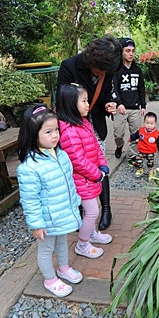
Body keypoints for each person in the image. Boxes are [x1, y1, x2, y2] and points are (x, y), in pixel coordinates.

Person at [17, 105, 83, 298]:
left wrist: (75, 202)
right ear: (33, 134)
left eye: (56, 130)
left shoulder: (60, 154)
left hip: (62, 212)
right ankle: (50, 279)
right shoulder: (30, 167)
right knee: (46, 250)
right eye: (48, 132)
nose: (55, 135)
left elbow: (69, 181)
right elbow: (30, 200)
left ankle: (63, 268)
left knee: (62, 242)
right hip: (47, 219)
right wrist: (36, 224)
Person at [57, 35, 121, 231]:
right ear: (91, 60)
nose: (102, 73)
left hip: (95, 127)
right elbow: (63, 101)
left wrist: (109, 104)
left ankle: (106, 208)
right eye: (100, 70)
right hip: (74, 128)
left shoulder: (108, 69)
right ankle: (80, 211)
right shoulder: (69, 67)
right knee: (77, 169)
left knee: (100, 163)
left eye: (106, 71)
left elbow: (107, 94)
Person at [56, 83, 112, 259]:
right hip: (82, 180)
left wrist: (102, 164)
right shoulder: (69, 131)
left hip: (90, 178)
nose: (88, 104)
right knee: (92, 211)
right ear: (71, 104)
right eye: (84, 101)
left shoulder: (84, 123)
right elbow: (78, 162)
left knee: (91, 209)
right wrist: (97, 174)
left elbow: (96, 147)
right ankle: (82, 243)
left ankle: (92, 233)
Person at [112, 38, 146, 165]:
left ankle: (133, 156)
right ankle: (119, 146)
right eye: (127, 51)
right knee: (118, 134)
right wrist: (118, 103)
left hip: (135, 108)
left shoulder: (137, 70)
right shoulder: (116, 70)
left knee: (135, 135)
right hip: (120, 108)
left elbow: (141, 88)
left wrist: (143, 105)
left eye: (132, 51)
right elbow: (113, 88)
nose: (131, 54)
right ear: (121, 52)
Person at [128, 111, 159, 178]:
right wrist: (131, 138)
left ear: (155, 124)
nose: (149, 125)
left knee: (150, 162)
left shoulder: (156, 133)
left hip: (150, 151)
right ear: (144, 122)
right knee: (138, 160)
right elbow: (135, 135)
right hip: (141, 150)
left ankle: (150, 171)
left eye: (151, 124)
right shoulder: (141, 130)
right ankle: (140, 169)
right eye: (147, 123)